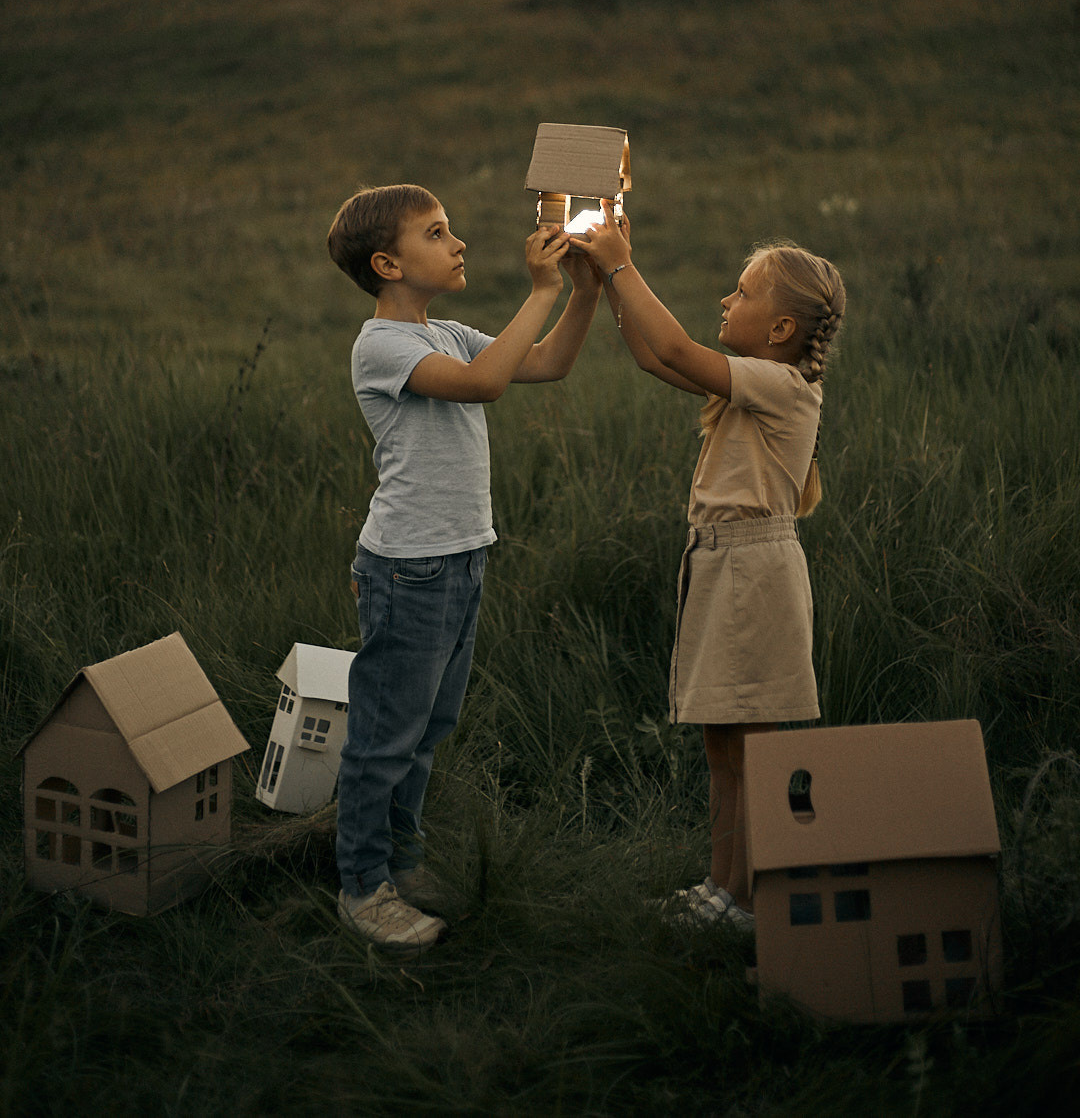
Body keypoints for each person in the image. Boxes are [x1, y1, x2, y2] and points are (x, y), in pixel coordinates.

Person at [326, 183, 600, 954]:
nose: (459, 243)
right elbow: (488, 384)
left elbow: (543, 364)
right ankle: (362, 887)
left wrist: (577, 293)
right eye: (437, 233)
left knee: (426, 730)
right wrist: (541, 287)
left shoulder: (446, 331)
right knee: (385, 736)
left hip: (460, 560)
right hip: (407, 569)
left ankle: (401, 866)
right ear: (388, 263)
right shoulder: (383, 345)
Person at [572, 203, 845, 931]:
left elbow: (681, 350)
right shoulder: (753, 380)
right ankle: (724, 891)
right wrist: (604, 277)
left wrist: (622, 263)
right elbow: (653, 355)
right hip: (723, 566)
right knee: (722, 743)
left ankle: (753, 900)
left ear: (782, 330)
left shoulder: (783, 386)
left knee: (750, 750)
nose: (727, 299)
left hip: (755, 574)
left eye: (743, 292)